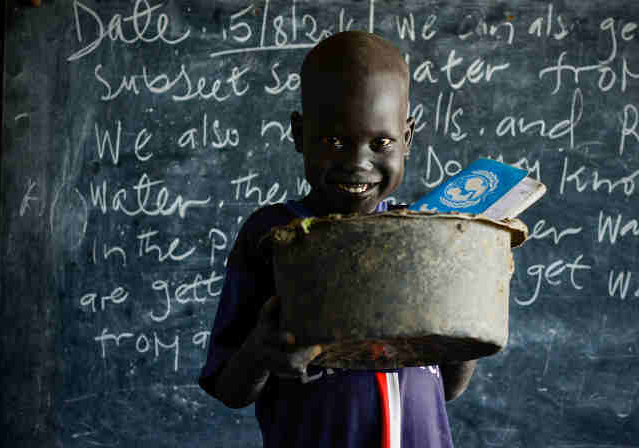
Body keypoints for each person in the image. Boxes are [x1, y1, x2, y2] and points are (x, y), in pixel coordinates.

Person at [199, 30, 476, 448]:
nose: (357, 163)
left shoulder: (423, 239)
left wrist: (468, 305)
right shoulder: (274, 236)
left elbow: (449, 385)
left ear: (408, 138)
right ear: (298, 133)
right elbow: (229, 387)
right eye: (333, 141)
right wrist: (262, 351)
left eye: (381, 142)